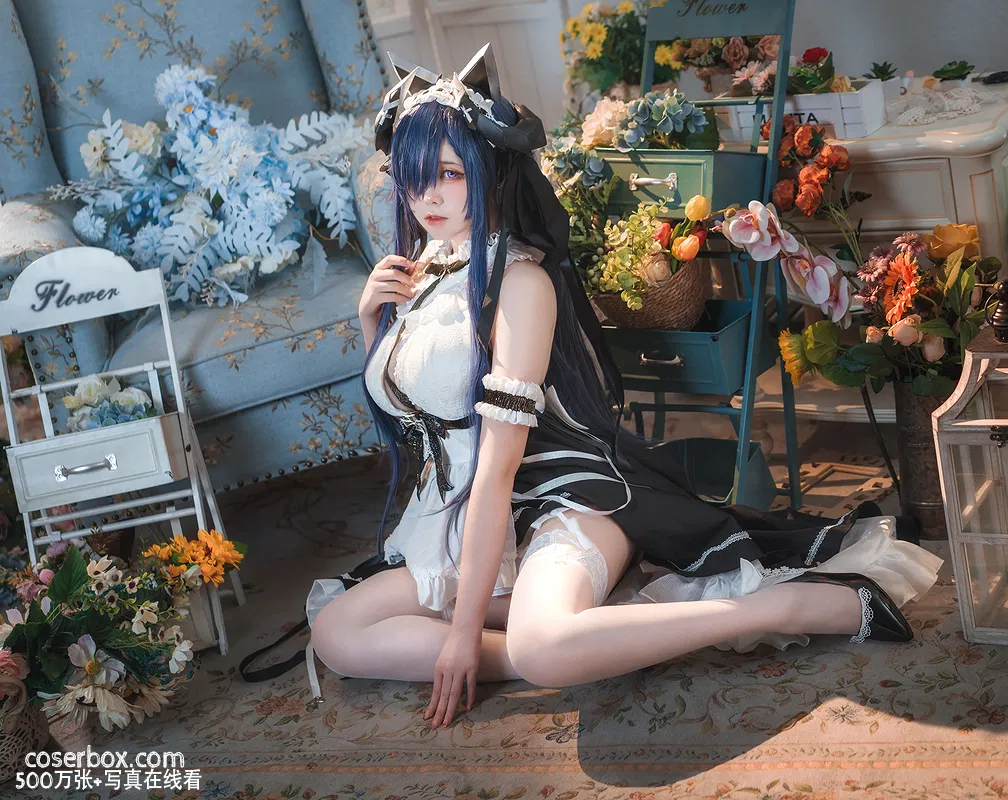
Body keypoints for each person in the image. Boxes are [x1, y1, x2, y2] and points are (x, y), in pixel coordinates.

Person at [308, 44, 943, 730]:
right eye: (412, 178)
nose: (428, 196)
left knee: (542, 644)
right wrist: (373, 321)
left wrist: (461, 635)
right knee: (337, 633)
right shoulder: (422, 270)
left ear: (488, 169)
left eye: (450, 174)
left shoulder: (518, 283)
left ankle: (784, 607)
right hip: (460, 518)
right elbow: (411, 415)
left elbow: (498, 470)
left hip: (562, 500)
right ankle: (567, 643)